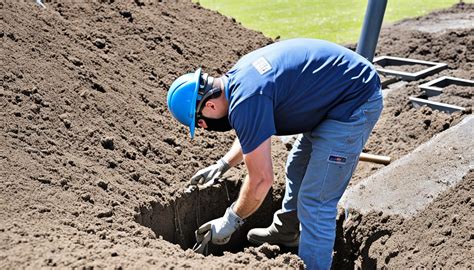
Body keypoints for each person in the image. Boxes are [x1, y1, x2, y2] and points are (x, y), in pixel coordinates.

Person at [166, 38, 383, 270]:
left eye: (200, 123)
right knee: (296, 167)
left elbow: (261, 180)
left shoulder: (247, 98)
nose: (205, 128)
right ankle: (287, 231)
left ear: (209, 106)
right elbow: (253, 130)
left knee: (316, 201)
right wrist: (224, 164)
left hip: (353, 103)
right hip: (331, 96)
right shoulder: (236, 82)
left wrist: (231, 220)